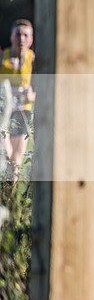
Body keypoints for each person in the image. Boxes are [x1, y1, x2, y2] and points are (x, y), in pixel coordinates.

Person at [0, 19, 35, 180]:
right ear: (11, 37)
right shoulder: (3, 58)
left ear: (31, 39)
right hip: (3, 114)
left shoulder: (33, 60)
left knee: (16, 160)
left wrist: (31, 95)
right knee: (6, 154)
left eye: (25, 35)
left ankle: (11, 200)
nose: (21, 38)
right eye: (18, 34)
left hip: (23, 113)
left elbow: (38, 91)